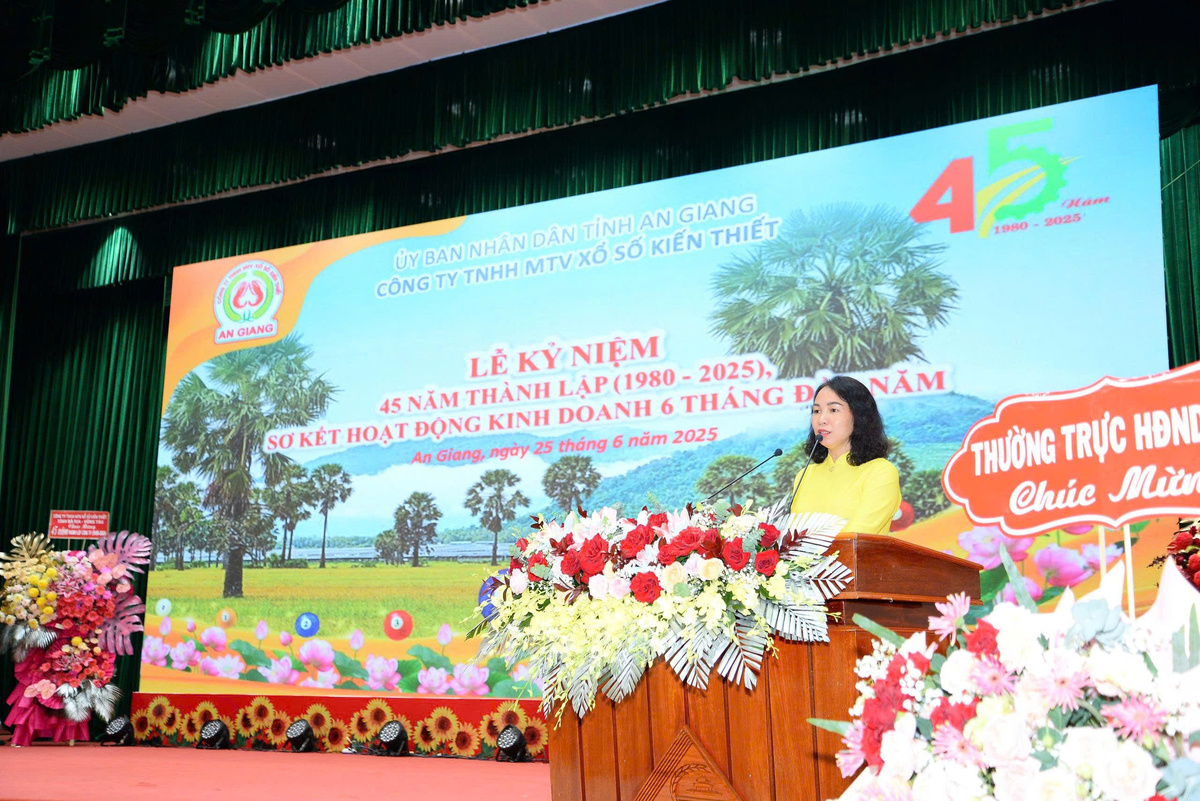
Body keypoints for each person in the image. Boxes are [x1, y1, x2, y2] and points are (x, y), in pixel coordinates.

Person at [789, 375, 900, 535]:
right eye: (816, 411)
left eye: (833, 410)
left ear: (859, 416)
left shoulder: (880, 472)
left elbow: (857, 536)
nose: (821, 419)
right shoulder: (805, 475)